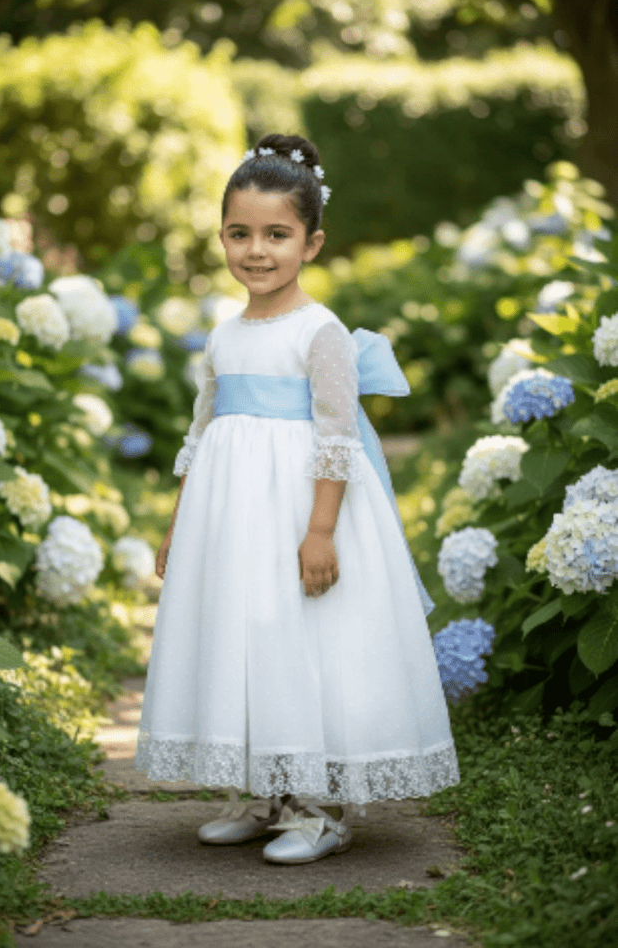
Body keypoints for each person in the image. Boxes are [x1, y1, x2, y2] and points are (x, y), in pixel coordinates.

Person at [135, 133, 460, 865]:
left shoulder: (320, 333)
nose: (256, 250)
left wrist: (320, 531)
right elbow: (201, 434)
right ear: (221, 236)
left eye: (276, 235)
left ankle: (322, 807)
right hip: (231, 522)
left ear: (311, 243)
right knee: (246, 637)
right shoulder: (222, 337)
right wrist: (178, 525)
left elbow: (337, 438)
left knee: (303, 637)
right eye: (239, 233)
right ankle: (266, 791)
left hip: (299, 513)